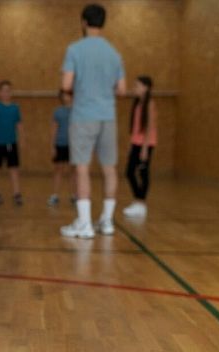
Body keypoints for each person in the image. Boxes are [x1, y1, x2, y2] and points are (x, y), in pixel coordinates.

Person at [60, 3, 126, 238]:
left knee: (82, 168)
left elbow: (66, 85)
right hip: (108, 116)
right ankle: (107, 222)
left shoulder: (75, 49)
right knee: (110, 168)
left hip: (83, 116)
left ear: (84, 22)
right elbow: (122, 90)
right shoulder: (114, 53)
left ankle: (85, 224)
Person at [123, 76, 157, 217]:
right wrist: (132, 145)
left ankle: (141, 203)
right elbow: (136, 127)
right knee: (129, 172)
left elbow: (149, 126)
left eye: (137, 85)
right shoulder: (138, 103)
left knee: (143, 173)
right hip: (136, 142)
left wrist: (144, 148)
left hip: (146, 144)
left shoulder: (150, 104)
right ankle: (138, 201)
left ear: (146, 87)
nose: (134, 88)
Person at [0, 80, 24, 206]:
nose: (6, 93)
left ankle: (16, 194)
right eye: (3, 90)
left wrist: (22, 139)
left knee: (14, 169)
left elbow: (19, 124)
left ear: (11, 92)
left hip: (11, 142)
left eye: (8, 91)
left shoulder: (15, 108)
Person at [48, 89, 76, 206]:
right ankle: (55, 195)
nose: (66, 98)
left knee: (73, 171)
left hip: (74, 145)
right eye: (63, 96)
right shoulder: (58, 112)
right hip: (60, 144)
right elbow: (53, 130)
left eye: (68, 95)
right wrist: (52, 146)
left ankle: (74, 196)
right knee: (58, 170)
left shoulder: (78, 111)